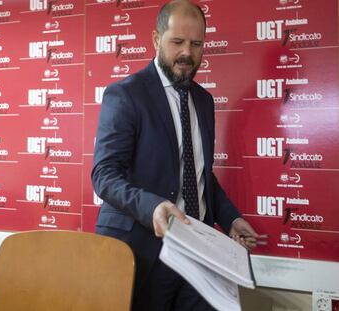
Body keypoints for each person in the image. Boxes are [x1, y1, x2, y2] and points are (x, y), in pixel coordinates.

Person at [92, 0, 258, 310]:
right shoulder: (126, 95)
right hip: (141, 253)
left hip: (199, 255)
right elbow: (104, 176)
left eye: (196, 44)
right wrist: (153, 206)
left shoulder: (204, 101)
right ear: (156, 39)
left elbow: (199, 175)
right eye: (177, 42)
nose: (187, 53)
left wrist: (230, 218)